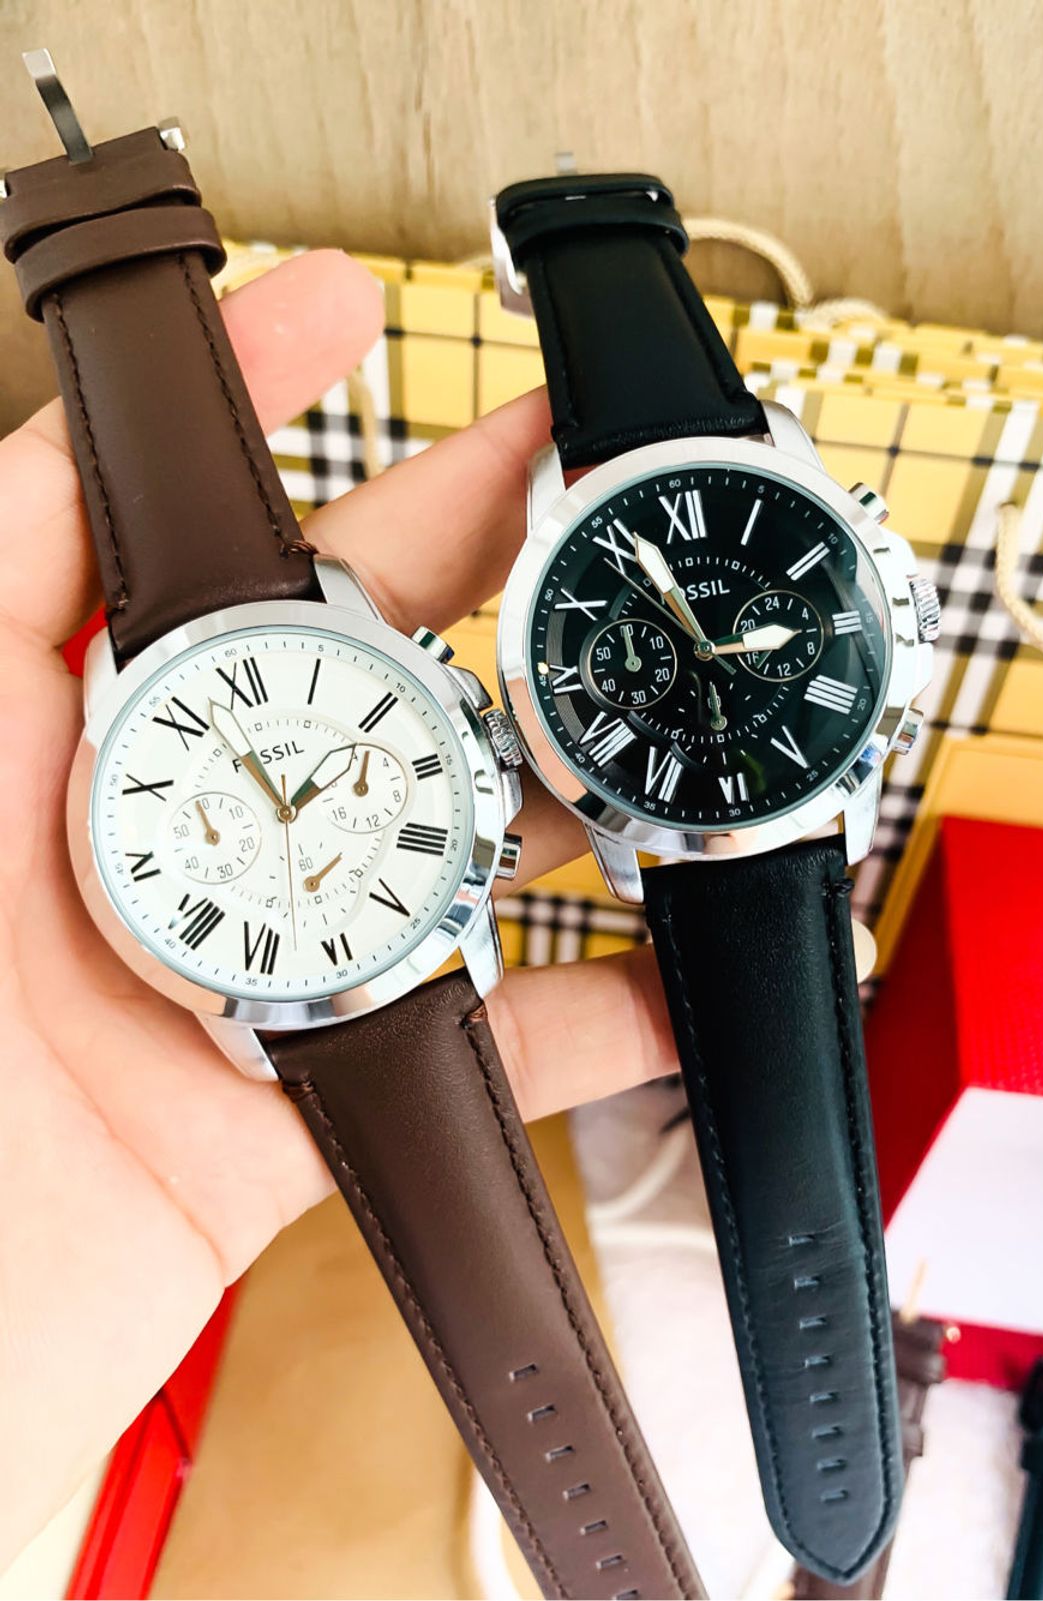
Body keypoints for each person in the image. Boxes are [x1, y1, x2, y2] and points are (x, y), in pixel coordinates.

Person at [0, 248, 679, 1567]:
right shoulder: (128, 783)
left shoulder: (359, 657)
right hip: (312, 981)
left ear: (464, 737)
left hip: (384, 938)